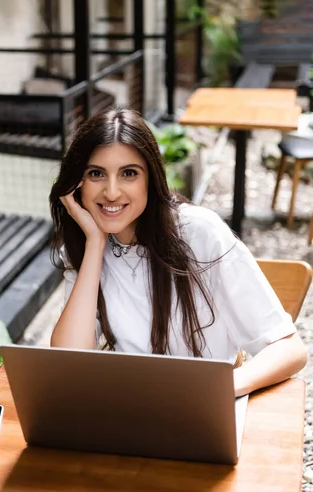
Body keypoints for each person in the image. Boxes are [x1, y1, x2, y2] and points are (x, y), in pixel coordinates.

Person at [49, 107, 307, 397]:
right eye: (96, 173)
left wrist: (217, 392)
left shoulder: (198, 232)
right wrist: (95, 244)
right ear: (77, 185)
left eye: (129, 174)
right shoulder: (84, 247)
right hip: (131, 405)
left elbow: (289, 349)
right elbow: (68, 363)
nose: (111, 192)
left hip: (205, 406)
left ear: (151, 179)